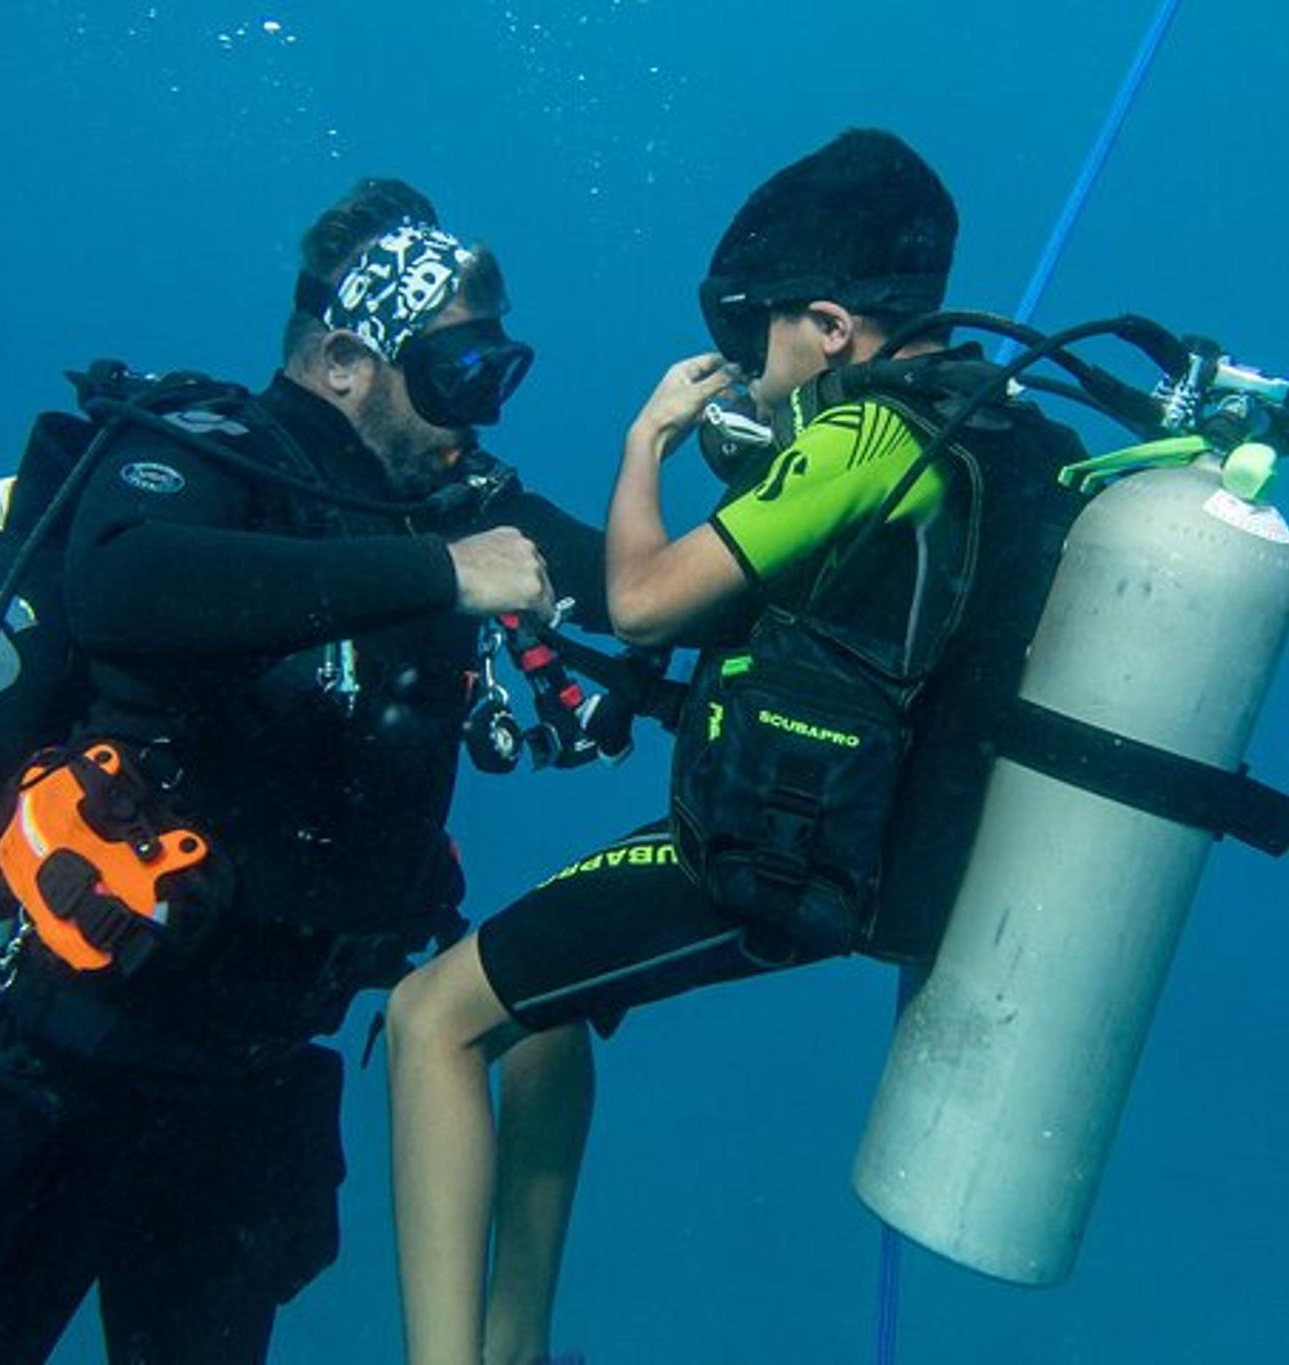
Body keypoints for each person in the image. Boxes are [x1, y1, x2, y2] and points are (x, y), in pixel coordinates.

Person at [0, 178, 610, 1365]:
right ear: (350, 356)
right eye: (456, 371)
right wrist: (441, 578)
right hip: (56, 1055)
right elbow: (121, 585)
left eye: (497, 373)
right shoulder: (207, 449)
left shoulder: (446, 507)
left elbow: (633, 587)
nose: (482, 412)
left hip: (244, 1101)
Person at [385, 130, 1090, 1365]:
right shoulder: (996, 428)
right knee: (541, 1012)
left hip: (780, 860)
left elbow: (648, 599)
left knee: (428, 1018)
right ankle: (513, 1350)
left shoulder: (866, 439)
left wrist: (642, 446)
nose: (747, 372)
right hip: (889, 849)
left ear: (827, 325)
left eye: (759, 338)